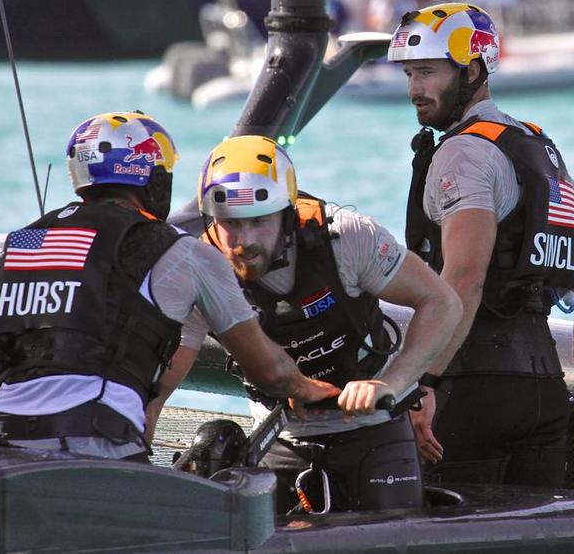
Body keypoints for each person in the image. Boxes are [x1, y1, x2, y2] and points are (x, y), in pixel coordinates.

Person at [0, 111, 337, 461]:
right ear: (152, 179)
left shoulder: (25, 241)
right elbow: (269, 372)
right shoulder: (181, 251)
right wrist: (310, 388)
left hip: (5, 444)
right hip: (95, 449)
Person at [150, 135, 461, 512]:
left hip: (375, 432)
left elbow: (443, 303)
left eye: (259, 222)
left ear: (287, 213)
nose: (245, 242)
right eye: (230, 224)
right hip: (281, 440)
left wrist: (390, 384)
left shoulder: (347, 237)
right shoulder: (201, 269)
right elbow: (160, 388)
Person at [388, 2, 574, 488]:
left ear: (471, 68)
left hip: (469, 389)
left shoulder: (463, 152)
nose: (414, 89)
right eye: (410, 73)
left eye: (428, 73)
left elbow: (465, 279)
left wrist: (424, 382)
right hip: (543, 392)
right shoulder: (533, 144)